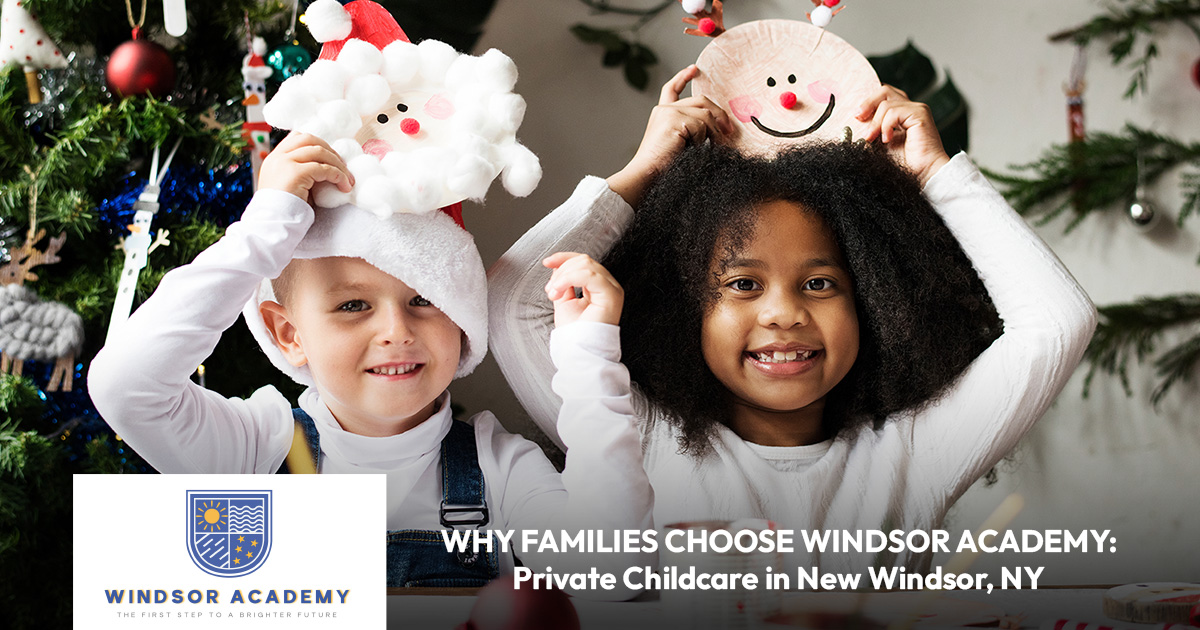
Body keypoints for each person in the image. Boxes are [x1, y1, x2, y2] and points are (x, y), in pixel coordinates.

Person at [489, 66, 1098, 574]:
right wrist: (643, 172)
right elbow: (516, 300)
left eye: (819, 283)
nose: (783, 313)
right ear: (684, 313)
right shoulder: (639, 440)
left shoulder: (914, 456)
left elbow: (1057, 323)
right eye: (743, 284)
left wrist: (935, 174)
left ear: (877, 305)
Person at [88, 132, 653, 597]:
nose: (397, 331)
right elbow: (125, 385)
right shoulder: (256, 448)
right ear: (289, 335)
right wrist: (263, 232)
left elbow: (610, 572)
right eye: (353, 305)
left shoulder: (499, 469)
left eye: (425, 300)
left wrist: (587, 356)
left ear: (462, 321)